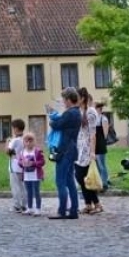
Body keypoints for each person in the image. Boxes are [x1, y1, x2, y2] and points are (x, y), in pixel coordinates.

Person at [47, 87, 81, 219]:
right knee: (70, 181)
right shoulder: (77, 112)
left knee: (60, 181)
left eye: (64, 99)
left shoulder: (69, 113)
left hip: (65, 149)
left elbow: (56, 125)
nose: (63, 102)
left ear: (68, 99)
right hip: (72, 149)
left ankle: (62, 210)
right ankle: (74, 210)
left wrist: (51, 118)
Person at [75, 88, 102, 214]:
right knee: (81, 177)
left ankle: (97, 204)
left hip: (86, 148)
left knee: (84, 177)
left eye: (77, 97)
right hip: (78, 148)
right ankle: (88, 204)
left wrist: (92, 152)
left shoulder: (90, 112)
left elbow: (93, 134)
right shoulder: (78, 111)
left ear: (82, 98)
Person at [17, 132, 45, 216]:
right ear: (24, 142)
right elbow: (19, 162)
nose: (28, 143)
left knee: (36, 192)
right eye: (26, 141)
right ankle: (29, 208)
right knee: (28, 192)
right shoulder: (22, 152)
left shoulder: (37, 151)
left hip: (35, 176)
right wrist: (22, 163)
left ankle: (38, 209)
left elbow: (42, 162)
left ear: (34, 142)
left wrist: (33, 163)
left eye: (31, 141)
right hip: (26, 176)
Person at [7, 119, 26, 213]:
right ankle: (25, 205)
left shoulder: (14, 140)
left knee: (15, 186)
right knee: (23, 186)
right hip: (23, 165)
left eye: (13, 128)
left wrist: (8, 142)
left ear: (16, 129)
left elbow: (8, 151)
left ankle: (16, 206)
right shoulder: (25, 139)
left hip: (14, 165)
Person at [94, 101, 111, 190]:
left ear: (99, 109)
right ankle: (101, 181)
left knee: (102, 164)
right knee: (97, 164)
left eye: (95, 108)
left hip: (100, 144)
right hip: (94, 144)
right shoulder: (94, 118)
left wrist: (101, 141)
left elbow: (105, 134)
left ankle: (104, 183)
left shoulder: (103, 119)